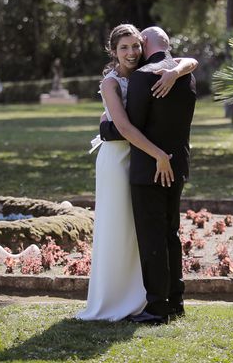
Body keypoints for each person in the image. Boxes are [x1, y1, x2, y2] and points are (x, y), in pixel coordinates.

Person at [76, 24, 197, 322]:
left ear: (144, 44)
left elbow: (125, 127)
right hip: (125, 162)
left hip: (149, 161)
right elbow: (128, 127)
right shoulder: (114, 82)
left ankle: (156, 305)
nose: (131, 52)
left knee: (152, 234)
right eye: (124, 48)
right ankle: (148, 299)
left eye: (135, 46)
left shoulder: (150, 75)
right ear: (113, 51)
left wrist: (106, 129)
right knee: (138, 231)